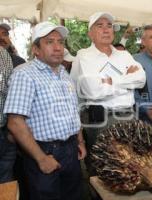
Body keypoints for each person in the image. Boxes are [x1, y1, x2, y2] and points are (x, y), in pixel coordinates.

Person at [4, 21, 86, 200]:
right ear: (36, 49)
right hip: (44, 151)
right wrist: (41, 158)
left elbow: (73, 111)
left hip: (70, 149)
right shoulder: (24, 74)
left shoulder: (63, 73)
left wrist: (80, 142)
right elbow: (15, 122)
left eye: (60, 42)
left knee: (74, 195)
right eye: (49, 42)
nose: (57, 47)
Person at [70, 11, 145, 175]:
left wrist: (112, 81)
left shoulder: (124, 54)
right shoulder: (83, 56)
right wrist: (126, 79)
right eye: (100, 26)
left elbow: (141, 79)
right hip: (101, 121)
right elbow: (93, 90)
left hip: (129, 117)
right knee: (104, 171)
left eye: (109, 26)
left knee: (132, 169)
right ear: (90, 33)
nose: (106, 30)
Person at [0, 46, 15, 184]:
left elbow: (10, 91)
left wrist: (11, 127)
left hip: (4, 130)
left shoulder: (3, 53)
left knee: (5, 183)